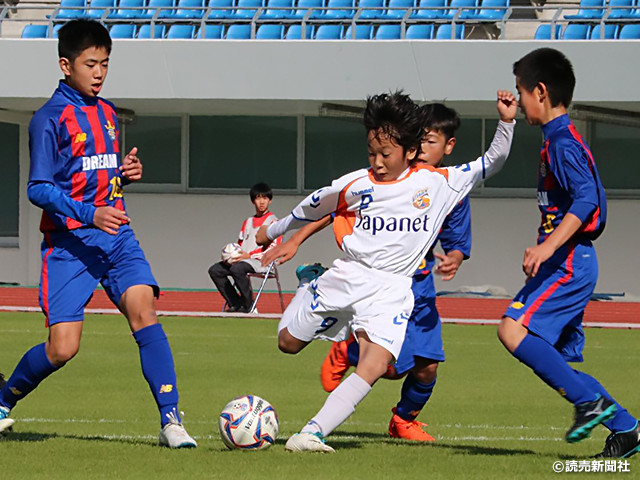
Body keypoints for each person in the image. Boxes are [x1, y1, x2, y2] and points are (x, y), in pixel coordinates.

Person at [256, 90, 516, 452]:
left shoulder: (441, 182)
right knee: (288, 343)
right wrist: (271, 230)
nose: (376, 161)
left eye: (385, 154)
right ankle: (308, 284)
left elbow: (494, 160)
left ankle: (312, 433)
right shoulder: (357, 183)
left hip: (393, 289)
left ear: (409, 151)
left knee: (375, 364)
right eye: (371, 153)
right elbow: (312, 207)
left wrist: (506, 122)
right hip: (348, 275)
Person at [0, 20, 196, 448]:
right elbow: (39, 187)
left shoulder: (107, 112)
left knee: (144, 311)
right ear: (65, 65)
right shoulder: (47, 119)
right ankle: (1, 401)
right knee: (62, 349)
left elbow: (99, 179)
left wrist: (125, 176)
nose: (100, 73)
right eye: (91, 64)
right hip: (70, 245)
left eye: (105, 64)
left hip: (116, 236)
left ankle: (172, 421)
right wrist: (90, 214)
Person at [497, 47, 639, 459]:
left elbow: (587, 200)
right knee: (557, 361)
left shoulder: (561, 142)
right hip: (569, 261)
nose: (519, 100)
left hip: (570, 260)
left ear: (540, 91)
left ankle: (591, 404)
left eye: (522, 92)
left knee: (511, 330)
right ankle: (627, 428)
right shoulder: (557, 138)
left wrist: (548, 246)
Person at [207, 182, 281, 313]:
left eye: (265, 198)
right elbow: (240, 244)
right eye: (258, 198)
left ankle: (249, 306)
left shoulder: (273, 222)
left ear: (270, 200)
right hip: (243, 261)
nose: (261, 202)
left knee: (237, 269)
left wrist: (250, 255)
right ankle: (235, 303)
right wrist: (231, 255)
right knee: (215, 270)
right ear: (253, 201)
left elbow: (274, 247)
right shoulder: (247, 222)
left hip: (263, 262)